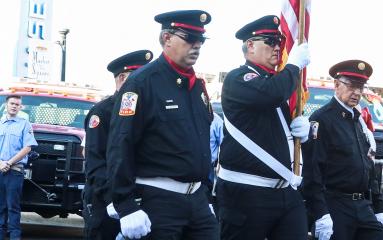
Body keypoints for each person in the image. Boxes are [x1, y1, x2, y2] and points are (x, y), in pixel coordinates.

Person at [106, 10, 218, 239]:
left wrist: (205, 195)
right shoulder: (142, 83)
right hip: (158, 199)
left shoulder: (196, 86)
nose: (196, 45)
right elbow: (120, 144)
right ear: (166, 38)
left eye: (201, 40)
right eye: (189, 38)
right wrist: (125, 205)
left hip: (196, 200)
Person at [215, 15, 310, 239]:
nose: (278, 47)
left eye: (280, 42)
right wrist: (294, 65)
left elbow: (270, 125)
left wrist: (299, 131)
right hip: (247, 192)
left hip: (284, 189)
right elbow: (271, 94)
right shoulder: (238, 78)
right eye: (270, 41)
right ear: (250, 45)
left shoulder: (274, 81)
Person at [303, 60, 383, 240]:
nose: (357, 92)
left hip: (362, 205)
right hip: (335, 204)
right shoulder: (321, 119)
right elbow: (312, 171)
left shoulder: (357, 120)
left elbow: (369, 167)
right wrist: (320, 213)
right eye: (351, 85)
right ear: (336, 85)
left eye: (361, 87)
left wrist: (380, 208)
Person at [82, 49, 152, 240]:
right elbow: (96, 163)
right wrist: (114, 199)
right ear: (122, 78)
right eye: (139, 77)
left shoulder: (146, 110)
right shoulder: (103, 112)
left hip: (138, 198)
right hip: (107, 202)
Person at [0, 95, 37, 240]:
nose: (14, 106)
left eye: (17, 104)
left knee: (13, 207)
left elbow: (27, 147)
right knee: (0, 207)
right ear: (6, 105)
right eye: (12, 103)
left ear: (20, 107)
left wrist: (8, 162)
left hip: (14, 171)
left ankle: (15, 236)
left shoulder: (25, 124)